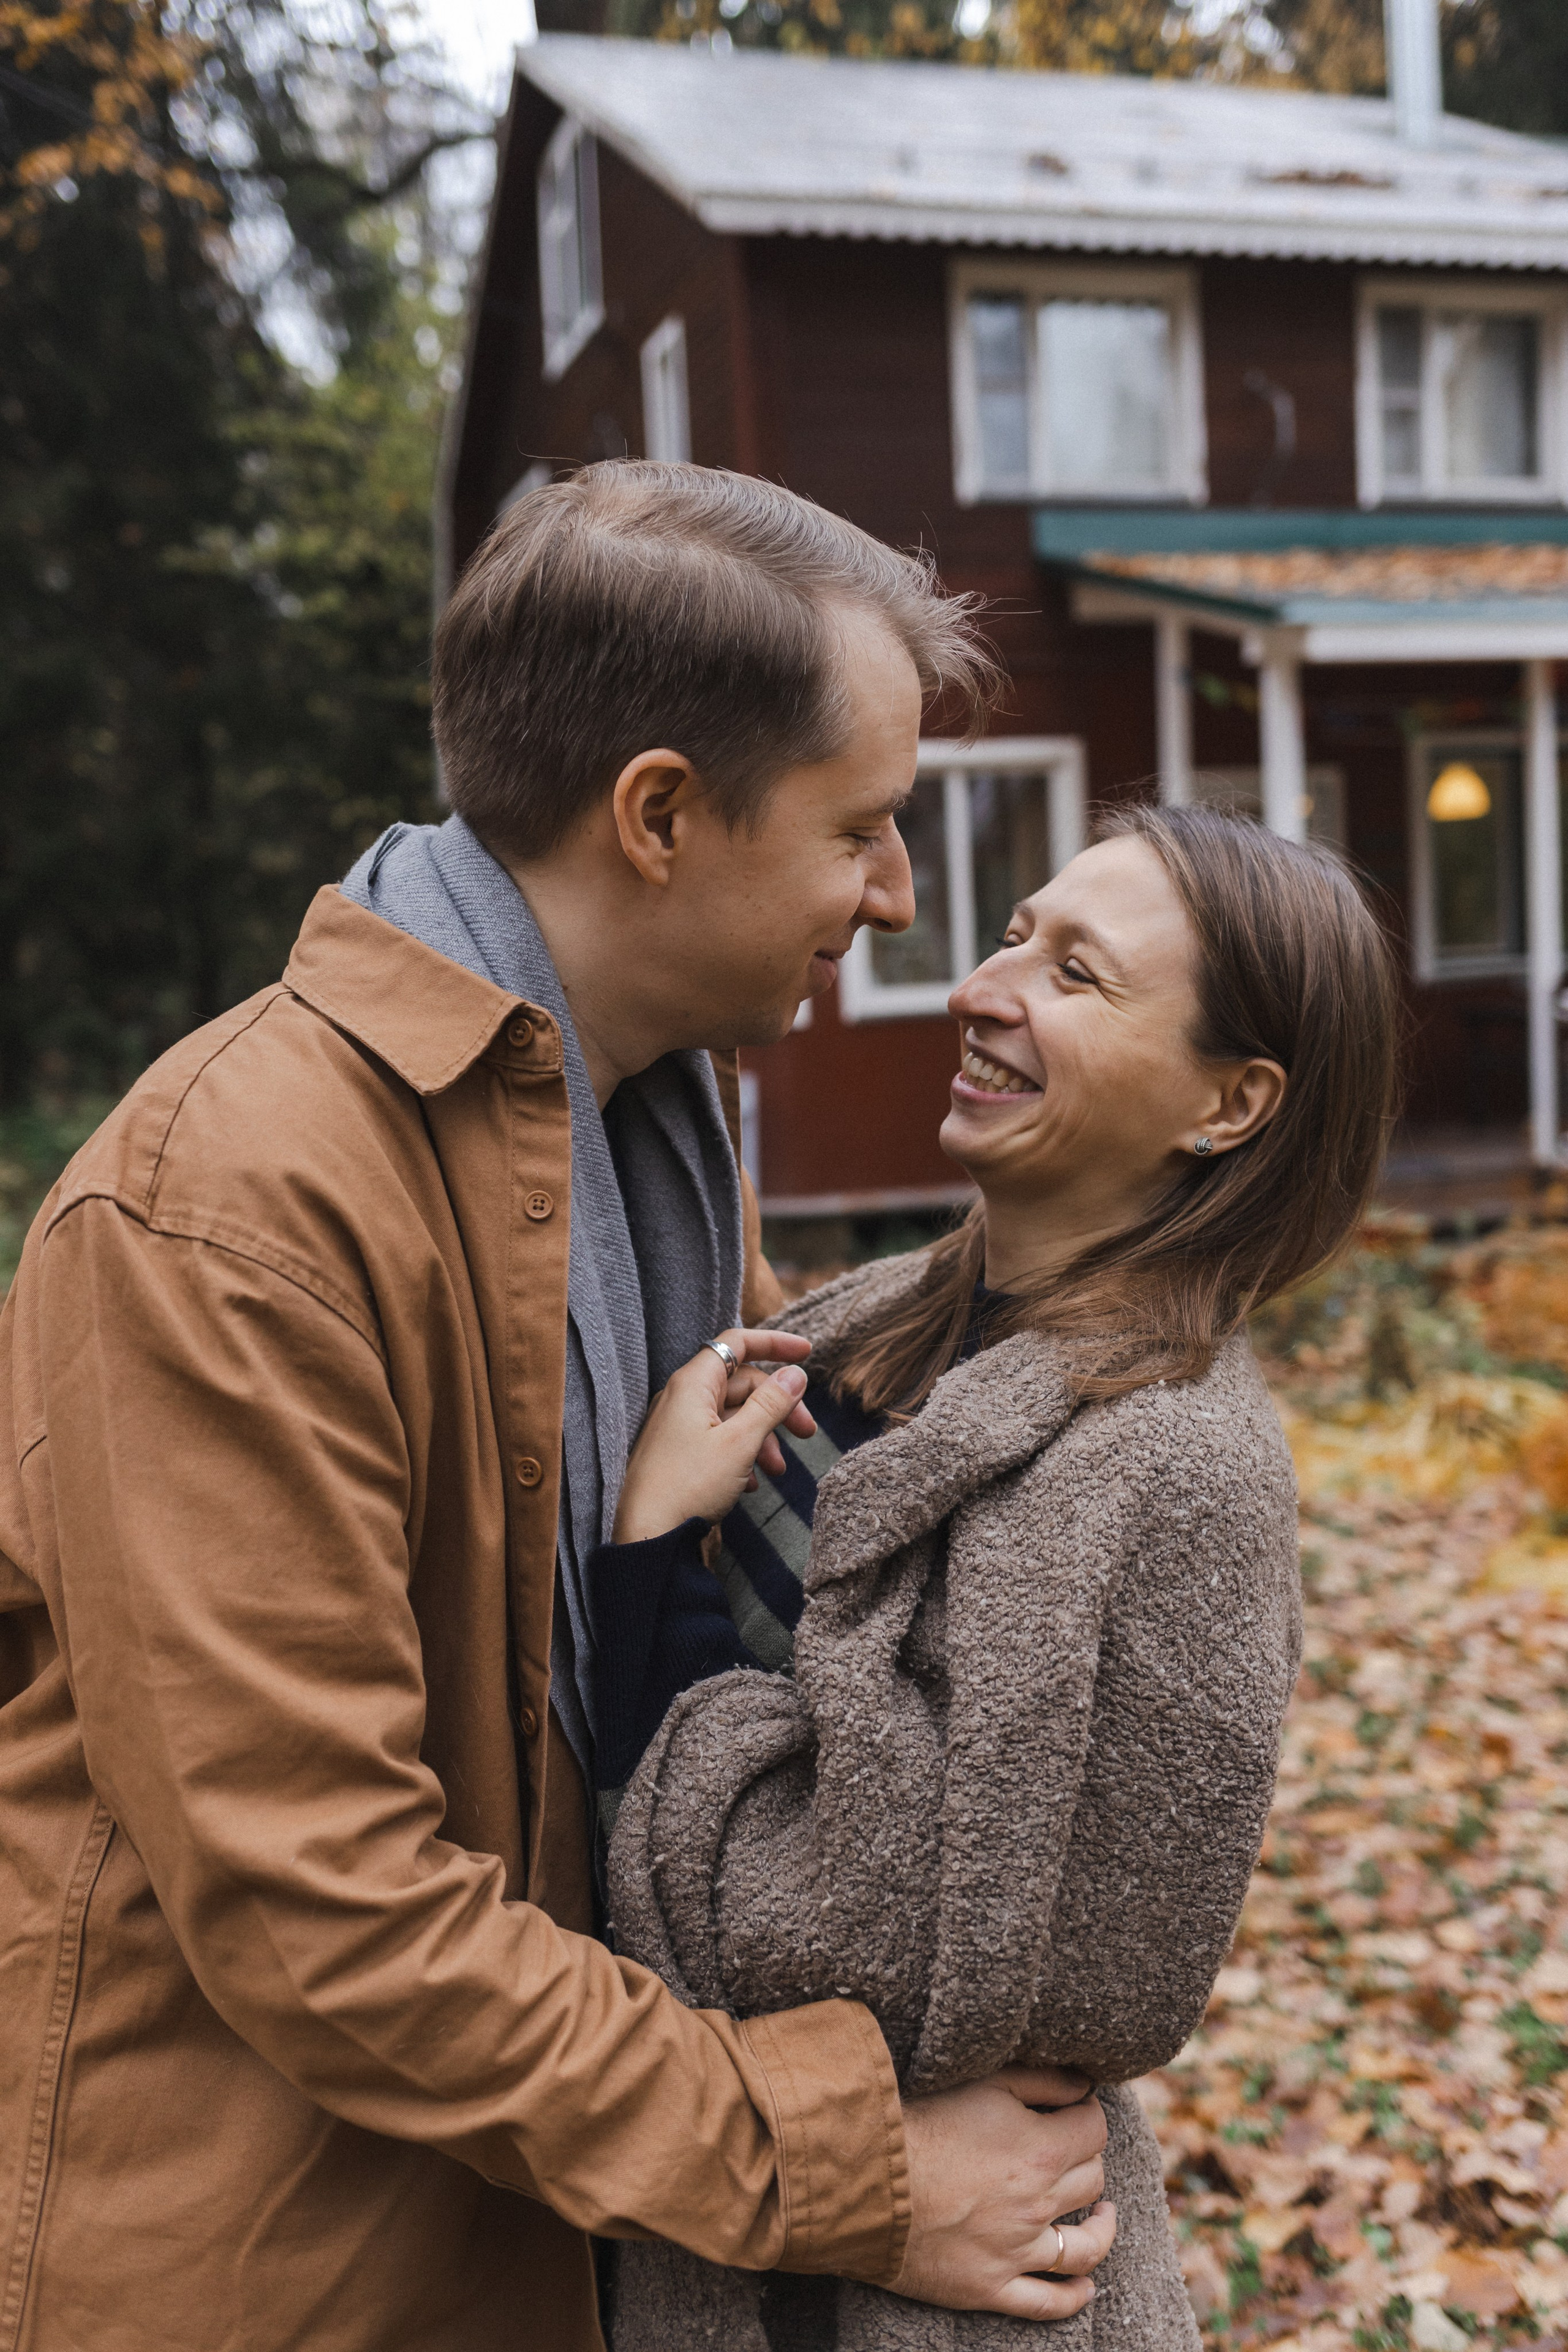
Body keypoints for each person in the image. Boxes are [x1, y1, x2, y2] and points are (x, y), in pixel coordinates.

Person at [0, 463, 1115, 2352]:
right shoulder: (229, 1211)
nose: (901, 893)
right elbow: (325, 1916)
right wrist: (841, 2168)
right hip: (279, 2276)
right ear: (662, 815)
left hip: (566, 2227)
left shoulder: (647, 1132)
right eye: (862, 826)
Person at [592, 805, 1400, 2348]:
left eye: (1076, 973)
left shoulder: (1175, 1476)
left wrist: (647, 1568)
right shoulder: (865, 1326)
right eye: (1016, 931)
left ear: (1228, 1104)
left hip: (948, 2294)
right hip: (730, 2225)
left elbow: (872, 1946)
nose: (984, 982)